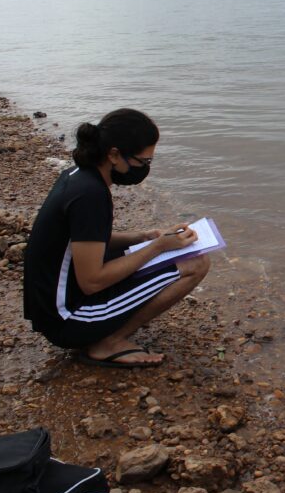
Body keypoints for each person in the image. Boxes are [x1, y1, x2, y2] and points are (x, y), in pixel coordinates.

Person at [23, 108, 211, 368]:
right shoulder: (91, 196)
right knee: (196, 263)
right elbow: (92, 281)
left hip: (53, 307)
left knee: (163, 253)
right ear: (113, 154)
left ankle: (105, 332)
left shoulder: (77, 177)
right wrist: (157, 247)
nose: (145, 168)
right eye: (143, 162)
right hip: (68, 320)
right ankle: (108, 342)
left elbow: (83, 242)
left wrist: (143, 237)